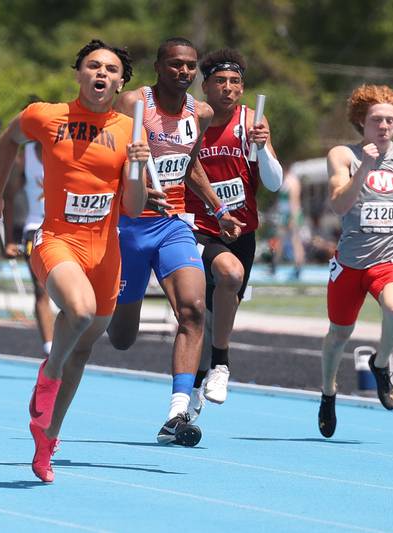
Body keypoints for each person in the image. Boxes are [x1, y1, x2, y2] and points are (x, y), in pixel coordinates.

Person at [0, 39, 149, 482]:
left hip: (105, 252)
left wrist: (137, 167)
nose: (102, 73)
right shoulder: (46, 115)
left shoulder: (130, 131)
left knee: (82, 348)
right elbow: (7, 142)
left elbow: (133, 207)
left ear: (120, 82)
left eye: (111, 69)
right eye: (93, 66)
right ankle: (48, 370)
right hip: (55, 238)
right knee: (75, 312)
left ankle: (46, 441)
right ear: (78, 73)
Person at [107, 37, 242, 447]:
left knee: (193, 310)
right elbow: (103, 156)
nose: (183, 72)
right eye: (175, 65)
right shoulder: (132, 104)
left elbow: (191, 166)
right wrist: (134, 189)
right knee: (122, 338)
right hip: (129, 228)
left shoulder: (198, 111)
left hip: (173, 225)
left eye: (189, 66)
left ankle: (177, 411)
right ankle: (104, 307)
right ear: (159, 66)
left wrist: (219, 210)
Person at [318, 84, 393, 438]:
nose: (384, 127)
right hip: (350, 262)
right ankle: (329, 394)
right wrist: (363, 166)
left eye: (390, 120)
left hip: (389, 259)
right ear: (361, 122)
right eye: (377, 120)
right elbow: (339, 204)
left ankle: (380, 365)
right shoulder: (343, 155)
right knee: (338, 335)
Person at [184, 48, 283, 419]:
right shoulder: (190, 120)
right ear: (205, 86)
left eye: (235, 82)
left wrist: (263, 148)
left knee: (214, 318)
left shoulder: (251, 122)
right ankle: (222, 364)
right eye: (220, 82)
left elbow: (274, 183)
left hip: (242, 233)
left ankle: (193, 392)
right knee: (215, 293)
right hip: (198, 230)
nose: (228, 88)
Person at [3, 98, 54, 358]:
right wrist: (10, 239)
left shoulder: (65, 148)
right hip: (35, 228)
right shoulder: (23, 160)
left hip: (66, 228)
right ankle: (49, 348)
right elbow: (9, 197)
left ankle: (67, 342)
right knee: (41, 288)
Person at [275, 170, 306, 280]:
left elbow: (294, 201)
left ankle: (298, 267)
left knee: (295, 240)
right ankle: (274, 264)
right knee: (280, 239)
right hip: (284, 214)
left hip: (292, 214)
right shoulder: (284, 179)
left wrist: (293, 217)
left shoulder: (293, 180)